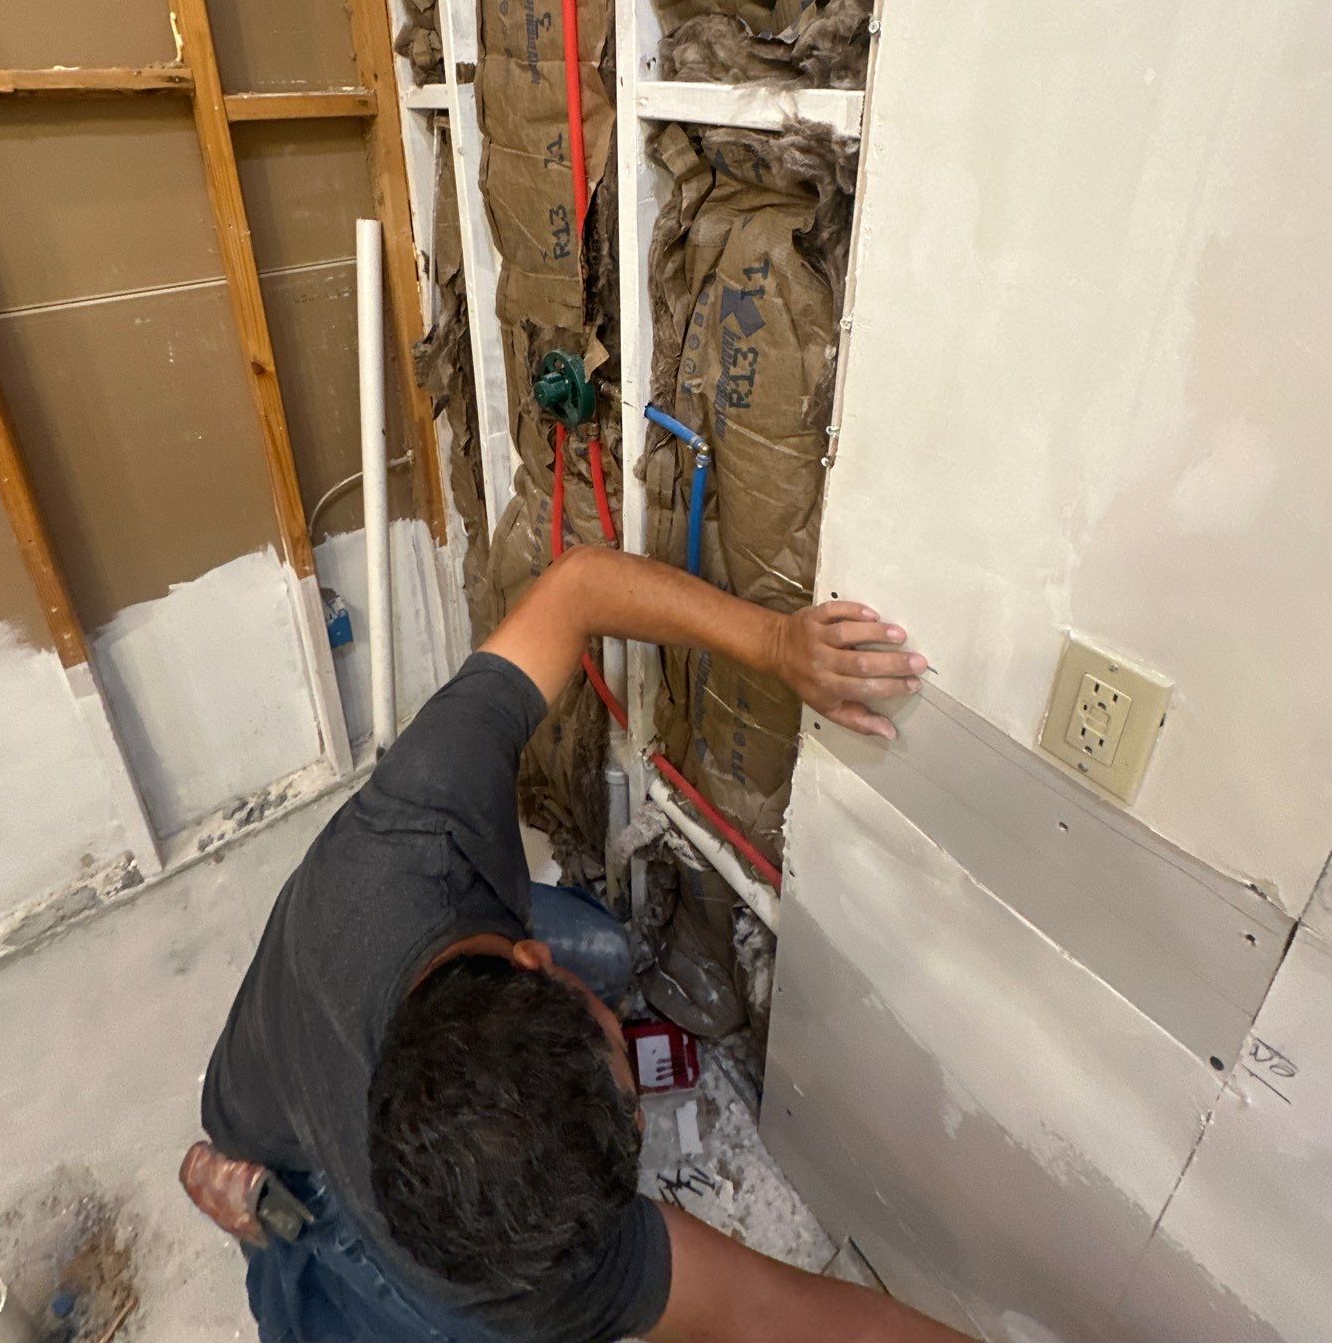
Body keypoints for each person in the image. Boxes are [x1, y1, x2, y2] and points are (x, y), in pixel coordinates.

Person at [202, 544, 968, 1342]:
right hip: (296, 1175)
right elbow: (766, 1313)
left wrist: (779, 644)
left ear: (530, 961)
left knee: (606, 948)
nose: (640, 1118)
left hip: (337, 965)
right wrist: (245, 1195)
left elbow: (576, 588)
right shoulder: (503, 1277)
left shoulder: (425, 811)